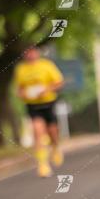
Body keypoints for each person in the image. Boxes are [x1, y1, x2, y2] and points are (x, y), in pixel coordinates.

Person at [14, 47, 65, 177]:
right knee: (38, 132)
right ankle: (43, 165)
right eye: (27, 52)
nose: (30, 55)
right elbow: (19, 89)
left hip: (48, 103)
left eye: (32, 52)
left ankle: (55, 147)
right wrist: (23, 94)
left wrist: (47, 90)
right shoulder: (21, 69)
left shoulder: (47, 65)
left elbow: (59, 83)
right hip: (33, 105)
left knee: (53, 131)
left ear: (37, 53)